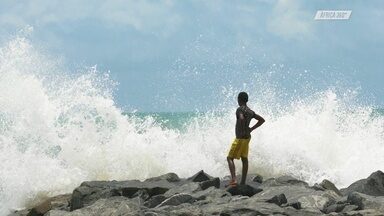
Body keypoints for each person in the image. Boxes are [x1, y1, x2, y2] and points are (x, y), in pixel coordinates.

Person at [227, 92, 265, 186]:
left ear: (239, 99)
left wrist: (242, 119)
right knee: (244, 158)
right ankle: (243, 182)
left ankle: (234, 180)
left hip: (240, 138)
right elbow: (262, 120)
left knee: (230, 158)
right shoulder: (250, 111)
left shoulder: (239, 109)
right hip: (247, 138)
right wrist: (251, 129)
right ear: (246, 100)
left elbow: (241, 117)